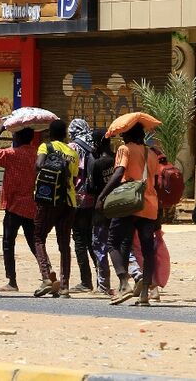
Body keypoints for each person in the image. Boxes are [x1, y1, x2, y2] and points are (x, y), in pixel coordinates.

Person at [96, 122, 160, 307]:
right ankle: (145, 293)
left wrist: (103, 195)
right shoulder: (152, 154)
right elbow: (153, 182)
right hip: (149, 205)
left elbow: (118, 174)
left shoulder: (124, 149)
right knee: (148, 251)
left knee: (113, 242)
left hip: (129, 203)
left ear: (128, 135)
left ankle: (124, 283)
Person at [0, 124, 38, 292]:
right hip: (30, 204)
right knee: (34, 242)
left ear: (19, 137)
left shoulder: (11, 154)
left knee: (8, 242)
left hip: (13, 205)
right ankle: (46, 272)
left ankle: (12, 281)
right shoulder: (36, 154)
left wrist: (0, 130)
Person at [33, 119, 80, 298]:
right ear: (65, 134)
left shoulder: (45, 147)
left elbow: (38, 165)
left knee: (38, 237)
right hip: (68, 202)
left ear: (50, 133)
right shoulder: (72, 152)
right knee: (64, 245)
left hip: (47, 201)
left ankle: (46, 277)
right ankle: (65, 286)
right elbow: (74, 178)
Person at [68, 119, 97, 293]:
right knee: (92, 240)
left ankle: (86, 281)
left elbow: (73, 172)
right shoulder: (93, 144)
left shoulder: (73, 147)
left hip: (78, 198)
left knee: (79, 239)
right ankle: (103, 279)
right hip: (94, 198)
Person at [88, 129, 114, 296]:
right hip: (118, 208)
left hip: (100, 211)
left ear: (97, 143)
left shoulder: (97, 163)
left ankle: (103, 286)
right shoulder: (117, 159)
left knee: (100, 247)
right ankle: (133, 277)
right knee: (120, 245)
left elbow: (91, 188)